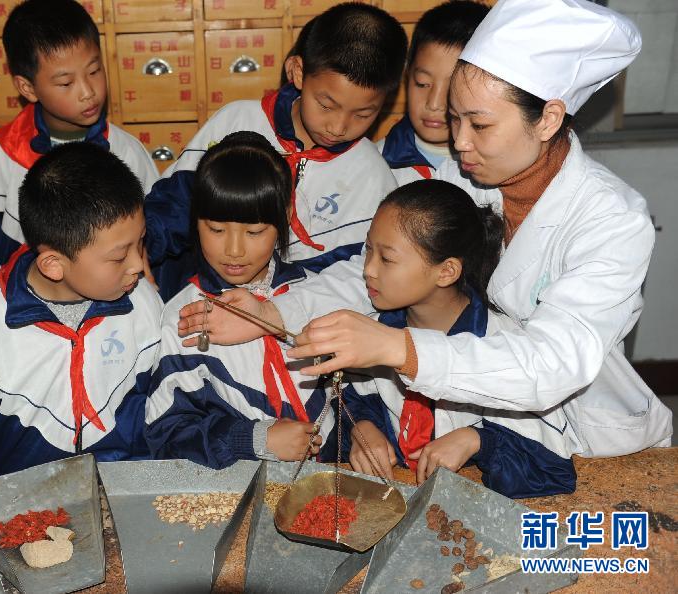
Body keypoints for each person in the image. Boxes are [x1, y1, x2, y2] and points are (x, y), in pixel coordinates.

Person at [176, 0, 672, 469]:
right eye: (456, 119)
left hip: (594, 443)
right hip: (474, 425)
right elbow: (380, 267)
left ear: (548, 118)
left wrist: (399, 348)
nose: (458, 142)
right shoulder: (465, 179)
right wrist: (275, 309)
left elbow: (551, 364)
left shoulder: (612, 221)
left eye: (479, 124)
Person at [0, 142, 162, 484]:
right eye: (119, 255)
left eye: (140, 242)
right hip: (20, 517)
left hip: (128, 501)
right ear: (54, 265)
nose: (139, 265)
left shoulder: (143, 304)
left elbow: (161, 419)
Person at [145, 2, 405, 299]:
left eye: (362, 114)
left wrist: (281, 310)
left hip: (295, 319)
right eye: (326, 105)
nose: (338, 126)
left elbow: (358, 277)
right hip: (199, 299)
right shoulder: (237, 120)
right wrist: (141, 245)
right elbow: (174, 206)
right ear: (297, 72)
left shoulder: (371, 175)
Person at [339, 180, 576, 498]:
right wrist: (362, 427)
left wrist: (477, 440)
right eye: (368, 250)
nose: (368, 269)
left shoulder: (505, 345)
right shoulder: (376, 331)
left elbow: (552, 468)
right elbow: (353, 396)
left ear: (446, 271)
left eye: (387, 259)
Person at [145, 132, 331, 469]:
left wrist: (367, 426)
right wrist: (254, 438)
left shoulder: (315, 293)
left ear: (285, 215)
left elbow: (360, 389)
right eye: (216, 229)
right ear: (194, 220)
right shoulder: (183, 316)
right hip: (234, 496)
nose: (234, 250)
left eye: (254, 232)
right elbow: (166, 433)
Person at [0, 0, 158, 265]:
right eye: (66, 83)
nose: (88, 92)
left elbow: (154, 238)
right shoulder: (1, 155)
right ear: (27, 88)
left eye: (94, 71)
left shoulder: (126, 151)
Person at [377, 1, 489, 185]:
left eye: (451, 88)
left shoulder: (500, 168)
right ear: (406, 77)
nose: (434, 103)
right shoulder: (376, 166)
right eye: (422, 84)